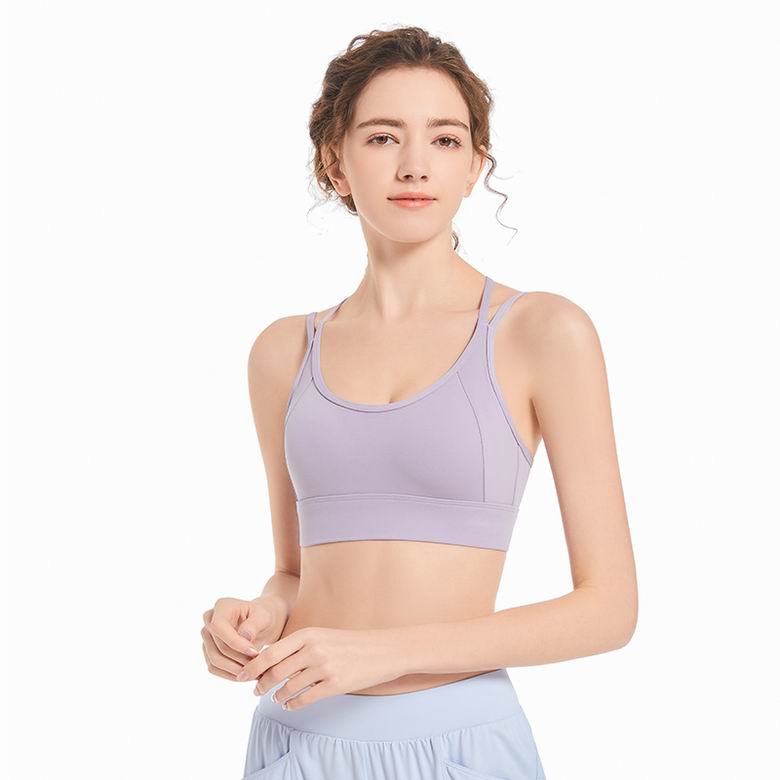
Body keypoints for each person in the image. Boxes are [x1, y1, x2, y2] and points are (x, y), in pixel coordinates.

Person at [201, 26, 637, 780]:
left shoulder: (541, 332)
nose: (414, 165)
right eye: (382, 137)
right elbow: (295, 572)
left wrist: (389, 652)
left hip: (458, 744)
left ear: (475, 166)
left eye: (444, 139)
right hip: (294, 737)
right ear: (334, 163)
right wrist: (261, 615)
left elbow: (610, 608)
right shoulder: (282, 352)